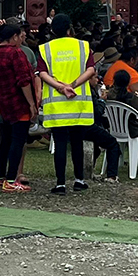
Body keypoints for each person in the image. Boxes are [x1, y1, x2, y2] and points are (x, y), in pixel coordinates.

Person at [35, 14, 100, 195]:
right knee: (77, 142)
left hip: (57, 106)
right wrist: (73, 85)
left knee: (60, 144)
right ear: (70, 29)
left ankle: (61, 183)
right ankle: (79, 180)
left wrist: (61, 87)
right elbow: (91, 70)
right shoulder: (83, 46)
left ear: (53, 30)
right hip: (78, 104)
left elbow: (42, 73)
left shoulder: (45, 49)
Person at [0, 23, 37, 192]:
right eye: (19, 36)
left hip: (3, 100)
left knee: (5, 140)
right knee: (18, 140)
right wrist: (31, 103)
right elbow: (23, 81)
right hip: (18, 102)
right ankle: (11, 179)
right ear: (14, 37)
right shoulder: (16, 53)